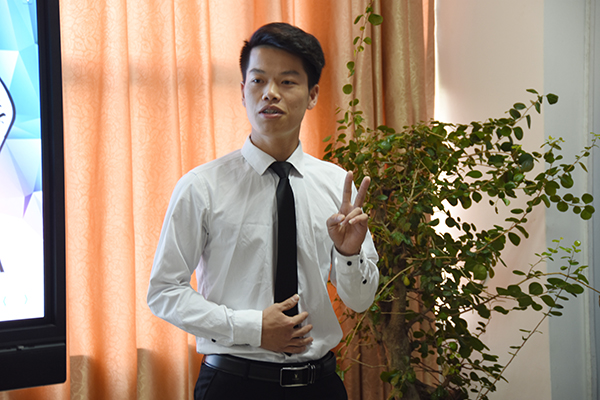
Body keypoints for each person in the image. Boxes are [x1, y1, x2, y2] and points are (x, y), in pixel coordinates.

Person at [147, 22, 379, 400]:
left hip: (320, 386)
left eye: (287, 82)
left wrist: (348, 253)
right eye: (258, 81)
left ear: (312, 95)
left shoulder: (338, 186)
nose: (270, 93)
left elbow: (360, 300)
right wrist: (252, 328)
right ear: (243, 92)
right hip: (233, 385)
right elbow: (164, 292)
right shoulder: (201, 187)